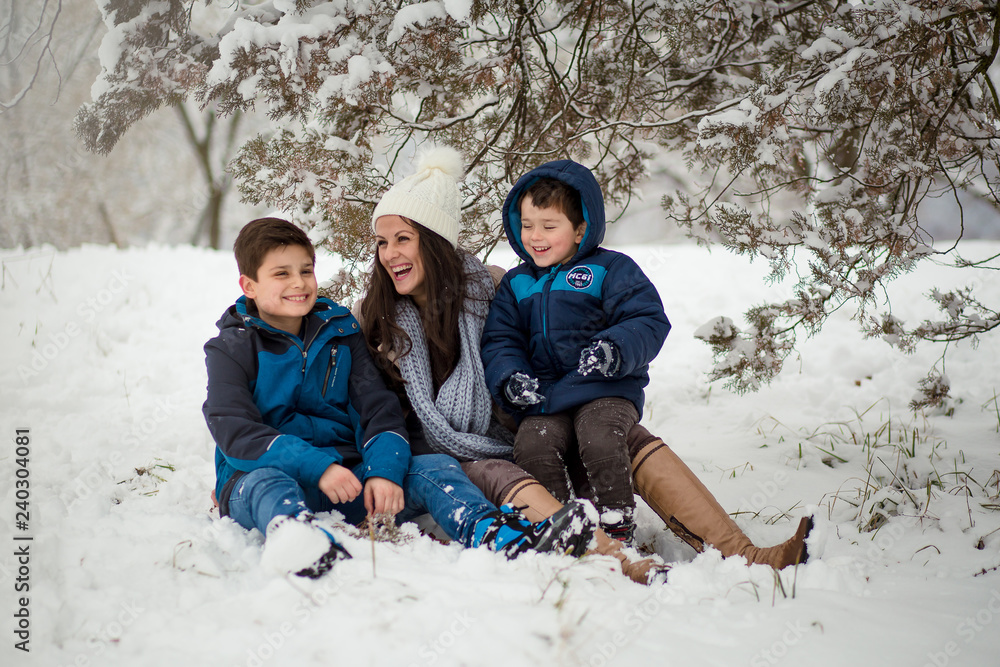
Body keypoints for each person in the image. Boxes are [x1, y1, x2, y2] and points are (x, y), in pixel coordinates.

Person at [359, 147, 813, 585]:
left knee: (623, 436)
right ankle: (612, 558)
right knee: (510, 466)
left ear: (437, 244)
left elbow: (543, 338)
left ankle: (745, 555)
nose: (390, 254)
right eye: (382, 242)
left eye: (404, 239)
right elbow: (377, 406)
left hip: (525, 423)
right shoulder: (375, 318)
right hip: (458, 458)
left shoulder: (490, 286)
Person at [202, 217, 596, 579]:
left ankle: (495, 534)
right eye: (281, 274)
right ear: (249, 286)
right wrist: (317, 466)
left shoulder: (339, 332)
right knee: (267, 483)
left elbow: (378, 409)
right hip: (258, 481)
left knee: (435, 466)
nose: (299, 283)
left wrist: (383, 471)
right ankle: (298, 541)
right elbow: (234, 429)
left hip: (347, 484)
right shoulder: (232, 348)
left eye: (306, 270)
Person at [480, 163, 670, 543]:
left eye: (549, 226)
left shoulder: (611, 268)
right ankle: (565, 524)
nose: (535, 236)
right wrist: (511, 378)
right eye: (527, 224)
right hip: (547, 396)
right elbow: (501, 340)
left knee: (598, 435)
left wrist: (614, 349)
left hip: (607, 388)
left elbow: (647, 319)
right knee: (532, 444)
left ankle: (615, 524)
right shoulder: (517, 283)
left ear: (580, 228)